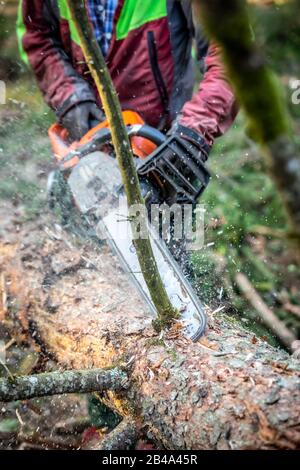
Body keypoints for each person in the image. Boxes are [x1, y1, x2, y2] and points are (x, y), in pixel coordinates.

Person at [17, 0, 237, 164]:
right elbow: (36, 34)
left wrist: (194, 128)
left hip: (163, 141)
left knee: (165, 219)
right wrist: (71, 99)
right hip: (90, 137)